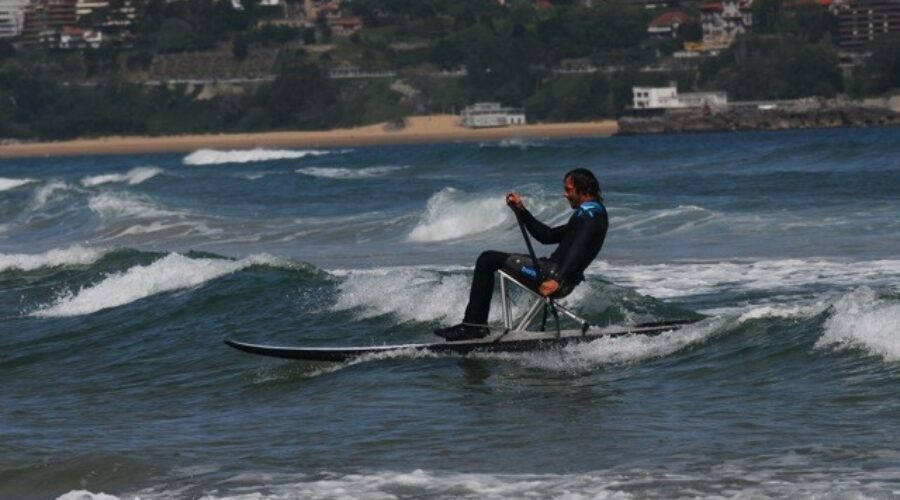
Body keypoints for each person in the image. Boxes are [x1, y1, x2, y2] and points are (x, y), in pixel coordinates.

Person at [435, 168, 609, 342]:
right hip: (559, 277)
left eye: (568, 189)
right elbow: (546, 236)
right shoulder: (590, 214)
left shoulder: (590, 215)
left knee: (487, 259)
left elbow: (578, 248)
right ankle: (475, 327)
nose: (565, 194)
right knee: (489, 259)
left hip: (553, 276)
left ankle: (472, 327)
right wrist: (521, 210)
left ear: (584, 189)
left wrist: (557, 279)